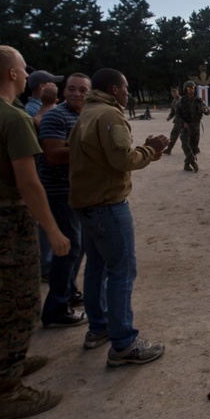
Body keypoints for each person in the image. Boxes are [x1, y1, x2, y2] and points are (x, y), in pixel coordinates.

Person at [0, 45, 71, 419]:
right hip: (6, 221)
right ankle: (8, 393)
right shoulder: (11, 118)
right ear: (10, 74)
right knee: (16, 303)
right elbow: (29, 182)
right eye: (23, 70)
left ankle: (4, 366)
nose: (27, 76)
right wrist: (52, 230)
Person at [68, 68, 168, 366]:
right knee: (122, 270)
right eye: (125, 88)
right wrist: (150, 149)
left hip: (87, 202)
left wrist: (145, 150)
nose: (127, 93)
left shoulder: (88, 112)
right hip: (107, 204)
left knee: (97, 267)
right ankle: (123, 342)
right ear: (114, 89)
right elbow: (122, 159)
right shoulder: (109, 115)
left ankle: (99, 328)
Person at [38, 72, 91, 328]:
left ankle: (68, 292)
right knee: (68, 248)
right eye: (71, 88)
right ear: (64, 91)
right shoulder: (55, 115)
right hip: (59, 191)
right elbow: (54, 155)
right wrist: (94, 149)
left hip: (76, 190)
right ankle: (56, 309)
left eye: (82, 90)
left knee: (76, 246)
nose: (76, 93)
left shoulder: (82, 116)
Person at [176, 80, 210, 173]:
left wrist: (205, 110)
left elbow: (208, 112)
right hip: (185, 127)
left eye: (192, 88)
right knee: (185, 145)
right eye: (189, 88)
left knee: (194, 147)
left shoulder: (198, 101)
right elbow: (177, 116)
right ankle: (193, 163)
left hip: (195, 126)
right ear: (185, 89)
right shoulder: (180, 102)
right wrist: (183, 123)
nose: (191, 90)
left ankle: (186, 165)